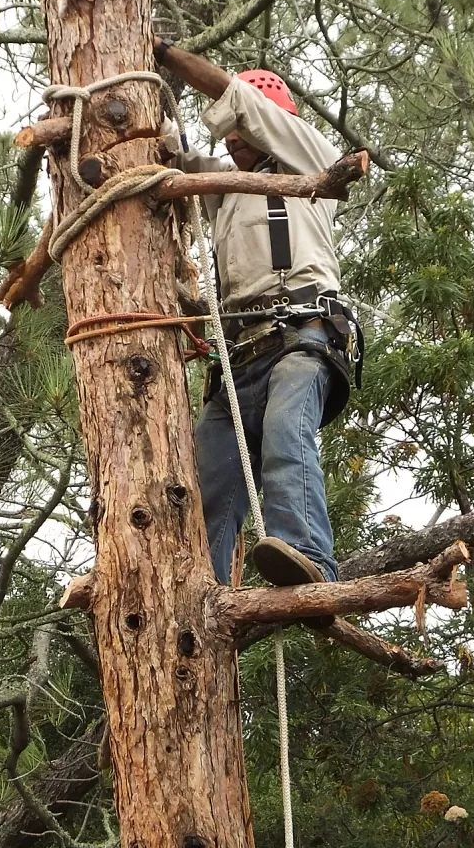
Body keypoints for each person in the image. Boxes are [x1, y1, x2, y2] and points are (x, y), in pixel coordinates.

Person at [155, 36, 362, 590]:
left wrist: (166, 55)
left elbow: (235, 96)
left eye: (242, 132)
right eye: (228, 138)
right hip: (241, 356)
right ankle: (204, 588)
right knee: (210, 476)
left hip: (302, 335)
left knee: (284, 437)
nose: (233, 145)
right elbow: (175, 166)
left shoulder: (308, 160)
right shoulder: (226, 190)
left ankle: (310, 555)